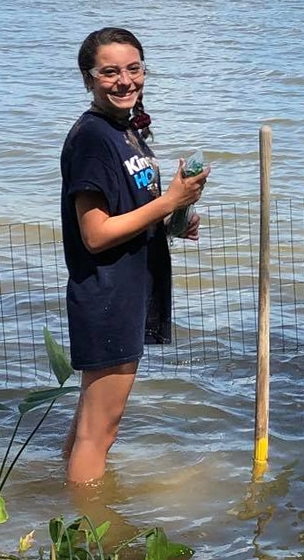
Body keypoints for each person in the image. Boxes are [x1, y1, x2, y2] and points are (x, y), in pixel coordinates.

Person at [59, 27, 210, 483]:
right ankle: (90, 537)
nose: (125, 81)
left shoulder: (125, 130)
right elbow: (95, 234)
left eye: (133, 68)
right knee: (100, 432)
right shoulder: (92, 137)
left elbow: (126, 210)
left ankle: (65, 517)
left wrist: (170, 220)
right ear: (88, 79)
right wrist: (170, 201)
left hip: (128, 289)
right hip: (105, 294)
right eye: (109, 72)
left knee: (90, 423)